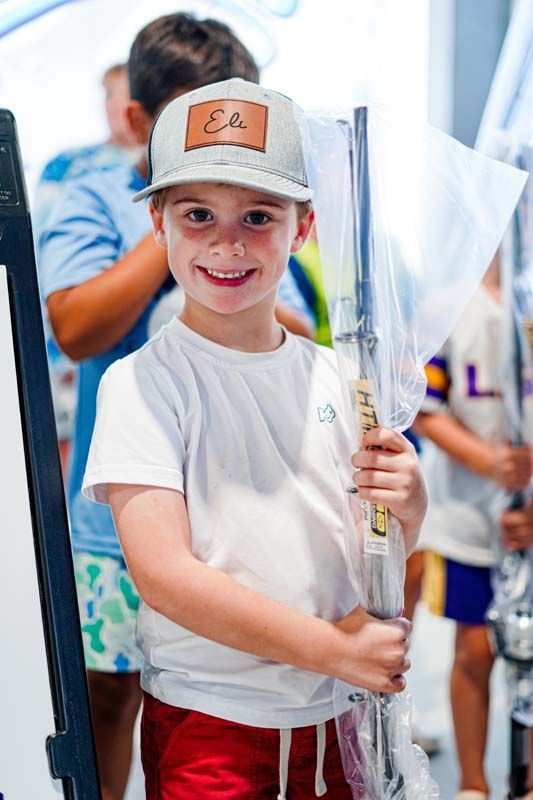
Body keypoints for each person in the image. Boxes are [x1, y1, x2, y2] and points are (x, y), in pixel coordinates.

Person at [82, 77, 427, 800]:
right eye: (198, 215)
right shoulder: (143, 383)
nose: (228, 243)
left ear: (302, 228)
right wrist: (335, 649)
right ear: (158, 225)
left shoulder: (342, 378)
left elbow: (373, 542)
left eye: (259, 216)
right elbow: (164, 576)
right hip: (210, 722)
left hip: (336, 719)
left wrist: (410, 506)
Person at [39, 15, 313, 800]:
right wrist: (173, 224)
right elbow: (75, 326)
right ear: (137, 121)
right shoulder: (98, 197)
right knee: (106, 698)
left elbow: (297, 335)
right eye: (190, 125)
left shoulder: (256, 219)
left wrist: (227, 248)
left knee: (218, 698)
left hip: (240, 510)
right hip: (113, 521)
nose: (219, 147)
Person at [416, 253, 533, 800]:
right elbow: (424, 408)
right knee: (475, 650)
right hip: (467, 514)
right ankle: (473, 784)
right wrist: (490, 463)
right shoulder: (448, 304)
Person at [34, 63, 138, 476]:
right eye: (108, 95)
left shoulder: (170, 167)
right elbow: (42, 251)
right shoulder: (69, 165)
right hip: (68, 332)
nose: (115, 106)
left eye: (124, 94)